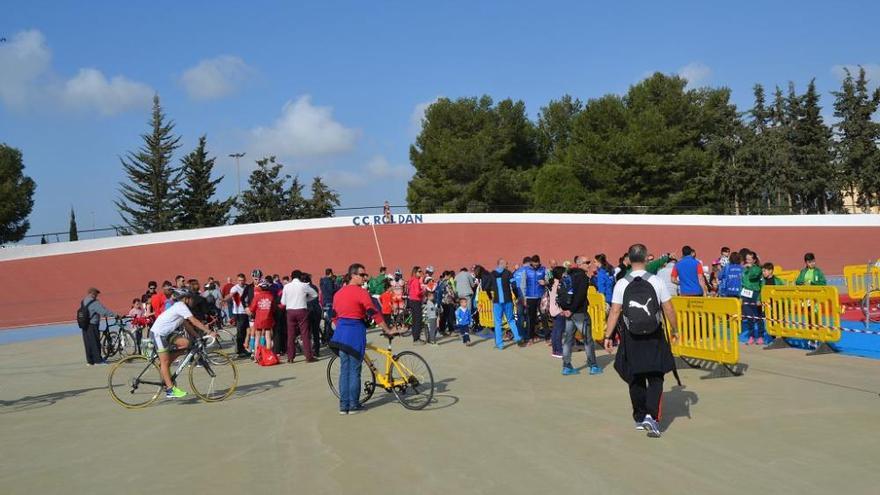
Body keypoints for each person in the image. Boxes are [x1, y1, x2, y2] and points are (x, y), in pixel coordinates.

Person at [603, 244, 678, 438]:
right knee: (656, 376)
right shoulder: (656, 281)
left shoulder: (622, 283)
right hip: (654, 333)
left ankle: (639, 416)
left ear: (629, 259)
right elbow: (668, 308)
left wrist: (608, 336)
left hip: (631, 336)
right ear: (646, 258)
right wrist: (675, 329)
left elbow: (615, 311)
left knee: (635, 376)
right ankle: (652, 416)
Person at [329, 263, 391, 414]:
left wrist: (342, 325)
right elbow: (374, 313)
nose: (365, 277)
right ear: (353, 275)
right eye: (362, 275)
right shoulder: (361, 293)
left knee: (345, 370)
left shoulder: (338, 294)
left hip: (340, 335)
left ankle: (344, 406)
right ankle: (354, 404)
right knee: (355, 371)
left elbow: (334, 317)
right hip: (355, 333)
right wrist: (387, 329)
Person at [150, 289, 217, 399]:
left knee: (187, 343)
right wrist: (209, 332)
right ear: (186, 298)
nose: (193, 301)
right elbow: (194, 321)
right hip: (158, 334)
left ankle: (164, 364)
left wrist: (196, 336)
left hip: (167, 334)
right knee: (165, 362)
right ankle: (170, 390)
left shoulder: (180, 307)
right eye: (191, 298)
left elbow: (186, 324)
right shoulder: (181, 306)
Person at [560, 256, 600, 375]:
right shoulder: (583, 277)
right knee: (587, 339)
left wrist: (566, 309)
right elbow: (580, 296)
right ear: (579, 264)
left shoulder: (568, 275)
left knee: (568, 340)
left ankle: (566, 366)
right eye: (587, 262)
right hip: (580, 313)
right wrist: (571, 310)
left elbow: (561, 293)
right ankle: (593, 366)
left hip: (568, 313)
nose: (589, 264)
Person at [484, 259, 523, 350]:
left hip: (497, 302)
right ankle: (517, 337)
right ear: (502, 264)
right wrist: (517, 296)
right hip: (508, 301)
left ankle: (500, 344)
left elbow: (486, 287)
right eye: (506, 263)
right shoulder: (508, 273)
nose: (507, 265)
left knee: (497, 323)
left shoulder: (491, 274)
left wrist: (490, 296)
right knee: (511, 320)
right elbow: (514, 285)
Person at [280, 270, 319, 363]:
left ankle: (290, 357)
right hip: (302, 310)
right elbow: (315, 294)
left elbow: (283, 302)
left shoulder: (286, 286)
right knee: (305, 334)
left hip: (290, 311)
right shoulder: (303, 285)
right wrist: (306, 299)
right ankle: (308, 356)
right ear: (300, 277)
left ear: (291, 277)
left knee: (291, 335)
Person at [79, 288, 121, 365]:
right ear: (93, 294)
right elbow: (103, 312)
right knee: (95, 342)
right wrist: (115, 315)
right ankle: (98, 360)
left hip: (84, 324)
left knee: (88, 343)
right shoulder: (94, 302)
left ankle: (90, 361)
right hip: (92, 325)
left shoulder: (83, 301)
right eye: (96, 294)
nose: (97, 295)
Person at [521, 255, 548, 343]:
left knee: (544, 317)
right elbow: (523, 285)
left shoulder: (544, 269)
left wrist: (545, 282)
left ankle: (548, 337)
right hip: (530, 297)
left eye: (537, 264)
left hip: (541, 297)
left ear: (539, 262)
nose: (536, 266)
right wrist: (524, 298)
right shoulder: (526, 270)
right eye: (534, 264)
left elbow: (549, 280)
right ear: (531, 262)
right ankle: (530, 338)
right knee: (531, 318)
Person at [224, 273, 250, 358]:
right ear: (237, 280)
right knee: (240, 332)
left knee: (247, 331)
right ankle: (239, 351)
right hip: (239, 313)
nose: (241, 282)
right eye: (239, 280)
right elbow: (230, 295)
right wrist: (223, 300)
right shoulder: (235, 288)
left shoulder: (247, 286)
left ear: (245, 280)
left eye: (242, 280)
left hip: (247, 312)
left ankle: (244, 348)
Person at [741, 251, 764, 345]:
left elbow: (753, 276)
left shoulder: (758, 269)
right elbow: (742, 282)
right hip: (746, 295)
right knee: (749, 317)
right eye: (747, 259)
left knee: (758, 317)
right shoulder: (744, 270)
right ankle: (751, 336)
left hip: (755, 294)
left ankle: (760, 336)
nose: (748, 261)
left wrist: (759, 298)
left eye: (750, 259)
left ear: (754, 260)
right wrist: (741, 295)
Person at [248, 279, 276, 354]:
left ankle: (256, 355)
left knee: (257, 337)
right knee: (268, 337)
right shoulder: (271, 297)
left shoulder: (257, 297)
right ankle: (268, 354)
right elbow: (274, 309)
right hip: (268, 319)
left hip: (259, 320)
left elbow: (252, 308)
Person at [548, 266, 567, 358]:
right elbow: (561, 298)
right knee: (558, 331)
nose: (565, 274)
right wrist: (563, 309)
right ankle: (559, 351)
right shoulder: (559, 284)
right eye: (564, 273)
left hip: (553, 309)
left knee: (555, 331)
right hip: (559, 310)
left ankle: (555, 350)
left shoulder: (552, 283)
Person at [407, 266, 425, 344]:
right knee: (418, 320)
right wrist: (423, 291)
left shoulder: (411, 280)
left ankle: (415, 337)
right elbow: (418, 293)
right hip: (416, 301)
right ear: (415, 272)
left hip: (411, 301)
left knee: (414, 320)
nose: (420, 273)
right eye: (419, 271)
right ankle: (416, 339)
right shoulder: (416, 281)